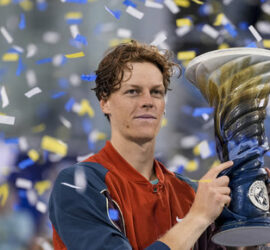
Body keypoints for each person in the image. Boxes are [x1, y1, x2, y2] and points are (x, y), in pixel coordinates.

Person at [48, 40, 270, 250]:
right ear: (105, 102)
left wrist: (250, 226)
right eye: (133, 91)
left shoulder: (191, 194)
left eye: (156, 92)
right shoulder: (79, 185)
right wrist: (197, 218)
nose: (147, 101)